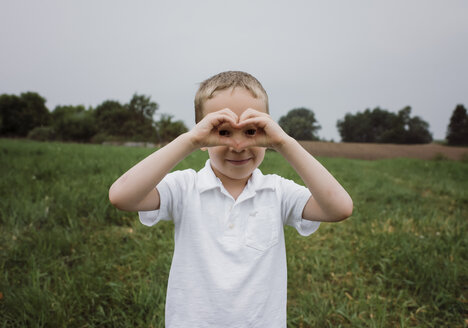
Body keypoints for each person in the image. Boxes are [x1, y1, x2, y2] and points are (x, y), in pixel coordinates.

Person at [109, 71, 353, 327]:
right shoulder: (185, 187)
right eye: (222, 132)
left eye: (251, 131)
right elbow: (121, 196)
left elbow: (340, 207)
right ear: (203, 136)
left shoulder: (277, 191)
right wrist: (189, 140)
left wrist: (284, 142)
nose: (238, 145)